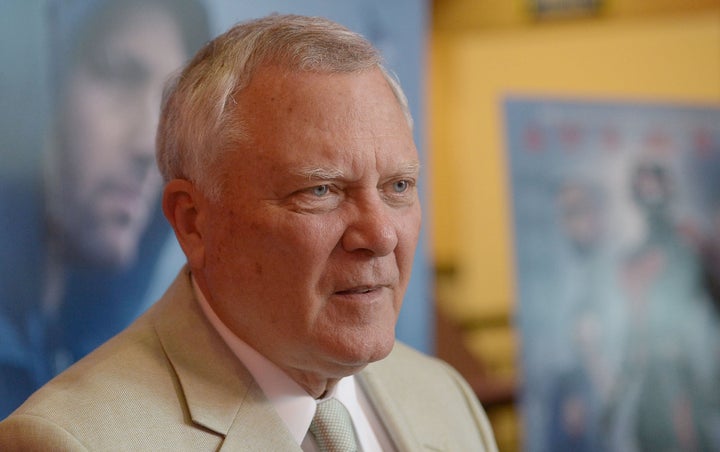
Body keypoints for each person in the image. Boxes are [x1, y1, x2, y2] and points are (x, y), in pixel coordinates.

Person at [0, 14, 498, 451]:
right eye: (321, 189)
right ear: (193, 220)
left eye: (399, 186)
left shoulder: (444, 397)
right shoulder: (73, 441)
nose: (380, 234)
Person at [0, 0, 208, 418]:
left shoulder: (101, 388)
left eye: (170, 111)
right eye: (118, 75)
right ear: (36, 84)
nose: (149, 148)